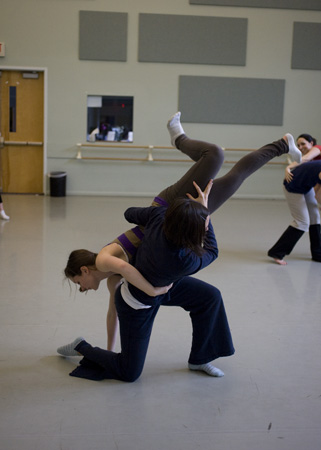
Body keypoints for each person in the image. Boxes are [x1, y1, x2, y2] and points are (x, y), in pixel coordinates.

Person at [58, 112, 301, 382]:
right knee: (230, 171)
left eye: (78, 282)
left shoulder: (104, 260)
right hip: (169, 237)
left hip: (166, 211)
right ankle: (277, 145)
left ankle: (182, 138)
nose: (82, 288)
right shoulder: (111, 281)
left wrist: (152, 288)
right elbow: (113, 312)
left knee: (216, 155)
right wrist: (108, 350)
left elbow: (127, 268)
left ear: (84, 269)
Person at [268, 133, 321, 265]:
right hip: (292, 186)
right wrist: (288, 167)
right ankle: (276, 252)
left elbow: (316, 193)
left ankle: (317, 254)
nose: (301, 146)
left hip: (305, 186)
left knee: (315, 217)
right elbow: (318, 196)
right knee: (302, 222)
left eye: (303, 144)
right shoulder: (316, 153)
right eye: (299, 144)